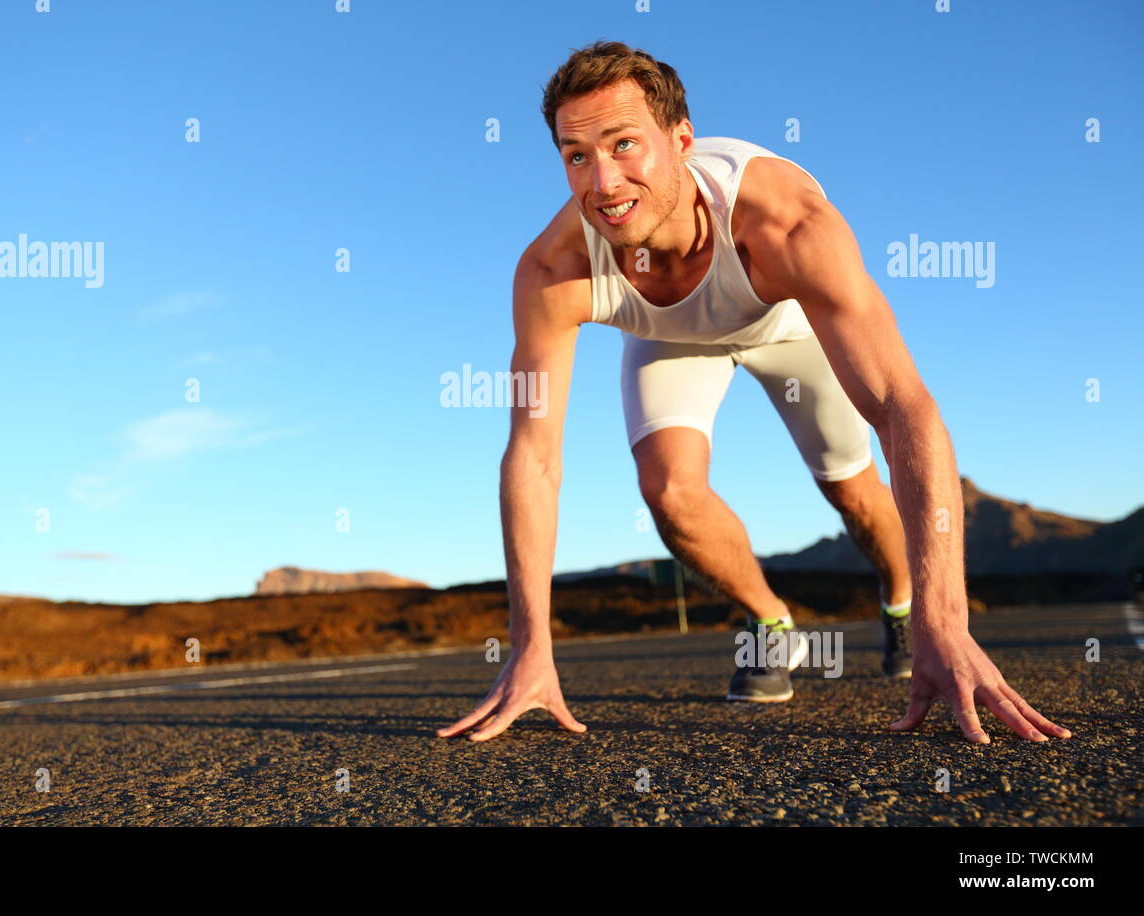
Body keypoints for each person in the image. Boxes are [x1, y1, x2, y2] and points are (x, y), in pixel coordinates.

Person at [438, 41, 1070, 745]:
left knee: (852, 486)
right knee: (669, 493)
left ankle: (900, 602)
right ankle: (772, 621)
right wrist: (530, 646)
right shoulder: (553, 270)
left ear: (682, 141)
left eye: (624, 145)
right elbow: (533, 457)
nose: (603, 182)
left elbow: (904, 409)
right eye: (576, 155)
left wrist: (945, 621)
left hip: (785, 319)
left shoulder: (785, 223)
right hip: (670, 336)